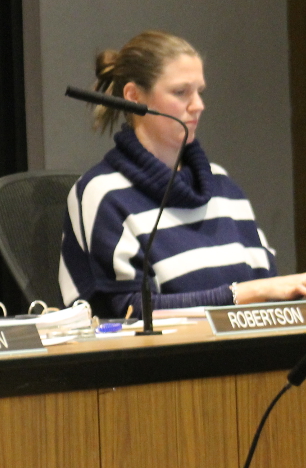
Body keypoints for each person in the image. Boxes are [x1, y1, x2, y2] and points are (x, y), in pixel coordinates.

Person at [59, 30, 306, 317]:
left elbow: (269, 290)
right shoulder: (101, 194)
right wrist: (242, 294)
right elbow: (130, 311)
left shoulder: (222, 185)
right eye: (181, 92)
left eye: (200, 91)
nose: (198, 105)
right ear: (134, 97)